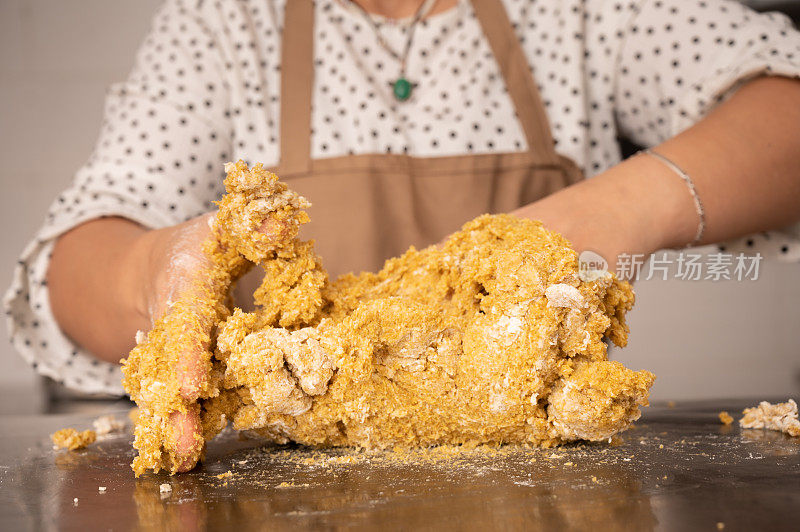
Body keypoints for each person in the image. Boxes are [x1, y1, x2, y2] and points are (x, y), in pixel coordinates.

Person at [5, 0, 800, 468]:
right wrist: (156, 275)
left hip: (542, 471)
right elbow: (72, 262)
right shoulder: (225, 20)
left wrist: (620, 206)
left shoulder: (580, 10)